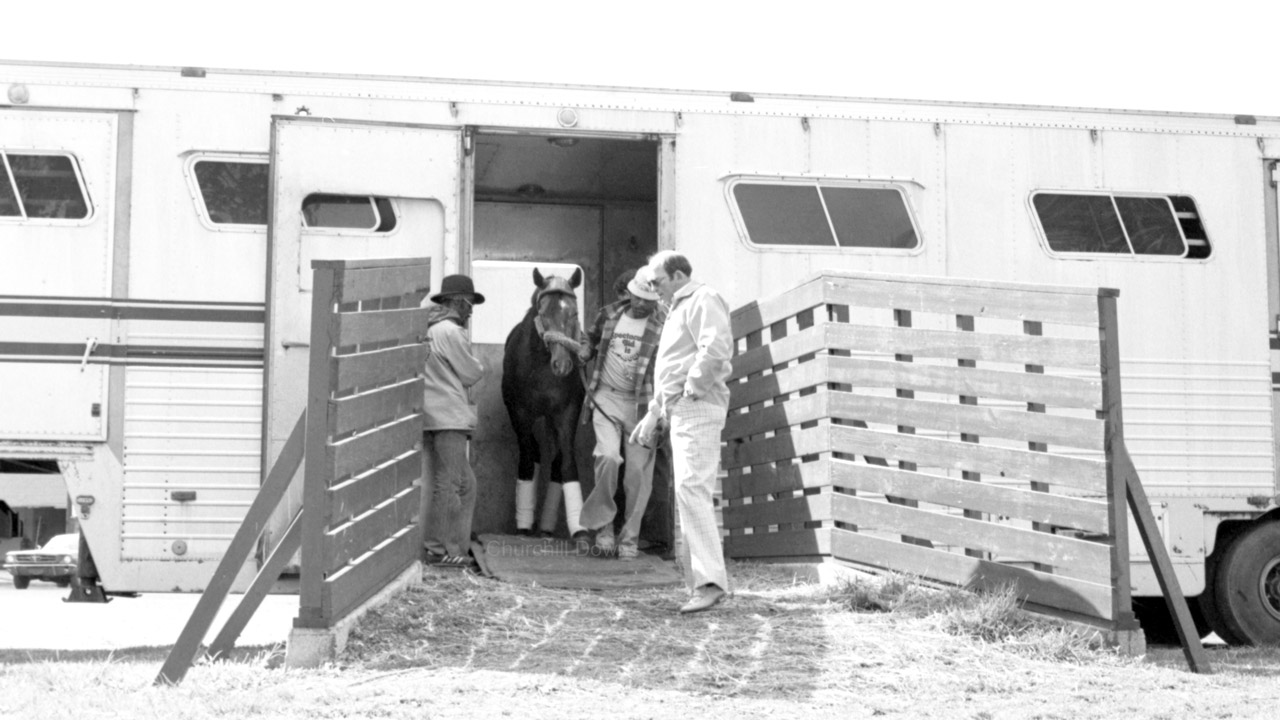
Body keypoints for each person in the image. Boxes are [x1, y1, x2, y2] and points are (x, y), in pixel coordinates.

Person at [630, 251, 733, 613]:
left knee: (692, 489)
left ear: (676, 276)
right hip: (684, 406)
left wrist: (691, 390)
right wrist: (654, 414)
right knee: (688, 491)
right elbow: (673, 370)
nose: (653, 289)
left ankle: (709, 583)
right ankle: (701, 583)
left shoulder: (703, 298)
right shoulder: (678, 307)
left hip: (698, 406)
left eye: (657, 282)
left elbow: (716, 348)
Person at [577, 267, 666, 561]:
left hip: (643, 405)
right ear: (629, 293)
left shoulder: (665, 324)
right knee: (608, 457)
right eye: (637, 297)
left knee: (638, 474)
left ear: (657, 300)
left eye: (648, 300)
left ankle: (629, 538)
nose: (641, 304)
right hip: (606, 397)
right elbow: (590, 339)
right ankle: (603, 529)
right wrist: (585, 350)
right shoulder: (609, 314)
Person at [421, 274, 486, 567]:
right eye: (469, 303)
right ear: (458, 302)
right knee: (450, 483)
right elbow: (471, 373)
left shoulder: (430, 329)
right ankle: (440, 550)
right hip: (449, 415)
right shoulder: (451, 332)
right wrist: (480, 365)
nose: (471, 310)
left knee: (465, 484)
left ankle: (455, 548)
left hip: (434, 413)